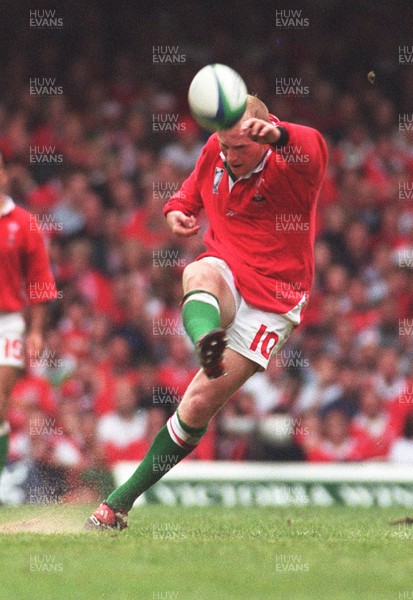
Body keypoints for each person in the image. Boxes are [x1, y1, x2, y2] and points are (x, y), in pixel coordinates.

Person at [85, 94, 327, 529]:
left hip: (274, 301)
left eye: (241, 148)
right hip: (229, 272)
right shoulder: (216, 150)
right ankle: (205, 340)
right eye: (225, 146)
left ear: (264, 137)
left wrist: (281, 135)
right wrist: (176, 211)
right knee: (199, 271)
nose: (230, 156)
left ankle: (121, 502)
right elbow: (188, 193)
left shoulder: (291, 166)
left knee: (196, 405)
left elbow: (313, 146)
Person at [0, 152, 58, 484]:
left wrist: (35, 331)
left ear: (5, 175)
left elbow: (39, 281)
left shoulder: (24, 223)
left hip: (7, 322)